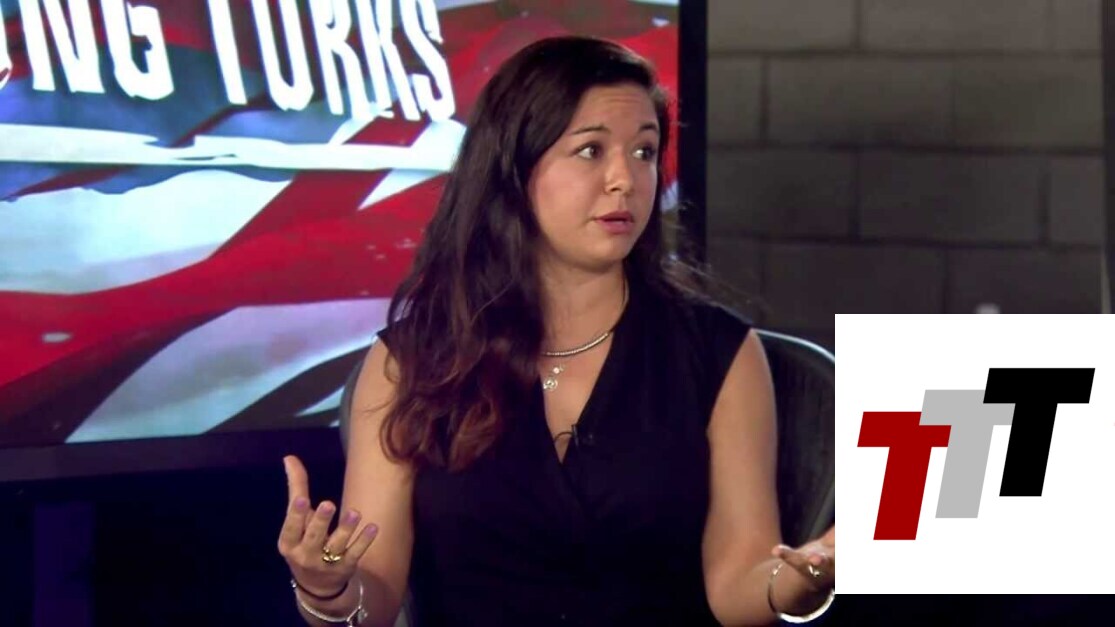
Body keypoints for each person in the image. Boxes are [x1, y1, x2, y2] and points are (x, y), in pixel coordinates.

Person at [277, 36, 836, 627]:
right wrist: (327, 588)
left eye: (645, 152)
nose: (625, 179)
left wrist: (808, 573)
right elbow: (372, 603)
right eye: (591, 150)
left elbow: (739, 587)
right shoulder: (412, 361)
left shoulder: (720, 353)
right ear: (515, 169)